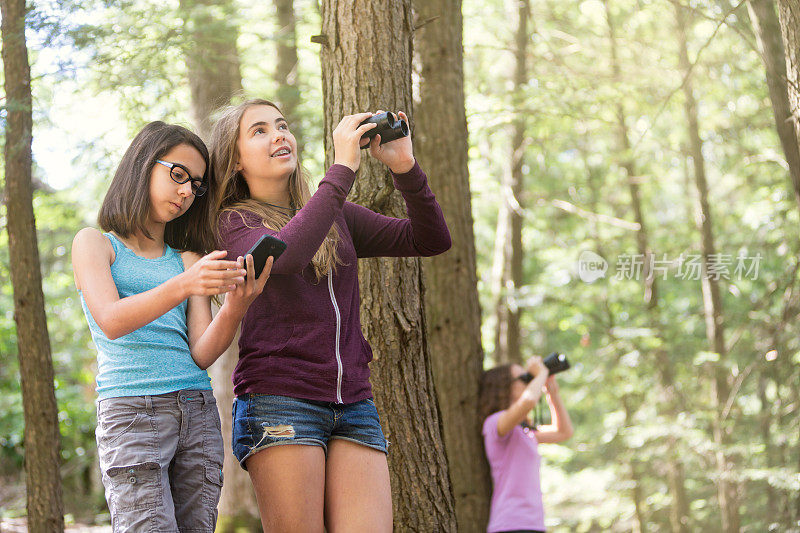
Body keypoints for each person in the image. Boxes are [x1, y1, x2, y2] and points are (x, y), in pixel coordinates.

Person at [210, 99, 451, 532]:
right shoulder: (233, 223)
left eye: (282, 125)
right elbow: (283, 256)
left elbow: (430, 238)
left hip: (354, 404)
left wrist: (405, 167)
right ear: (234, 162)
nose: (279, 134)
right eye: (259, 130)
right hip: (280, 400)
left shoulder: (334, 214)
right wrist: (341, 170)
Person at [72, 121, 272, 532]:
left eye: (195, 185)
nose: (186, 192)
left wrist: (236, 305)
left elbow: (200, 352)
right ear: (143, 164)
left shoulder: (186, 259)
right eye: (178, 174)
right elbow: (111, 320)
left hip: (196, 410)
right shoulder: (95, 244)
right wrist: (185, 283)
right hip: (132, 411)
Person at [480, 357, 574, 533]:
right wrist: (541, 374)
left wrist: (552, 393)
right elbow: (529, 401)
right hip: (510, 523)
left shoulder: (524, 432)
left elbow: (564, 432)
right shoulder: (495, 423)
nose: (528, 381)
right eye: (524, 378)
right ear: (504, 386)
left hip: (533, 524)